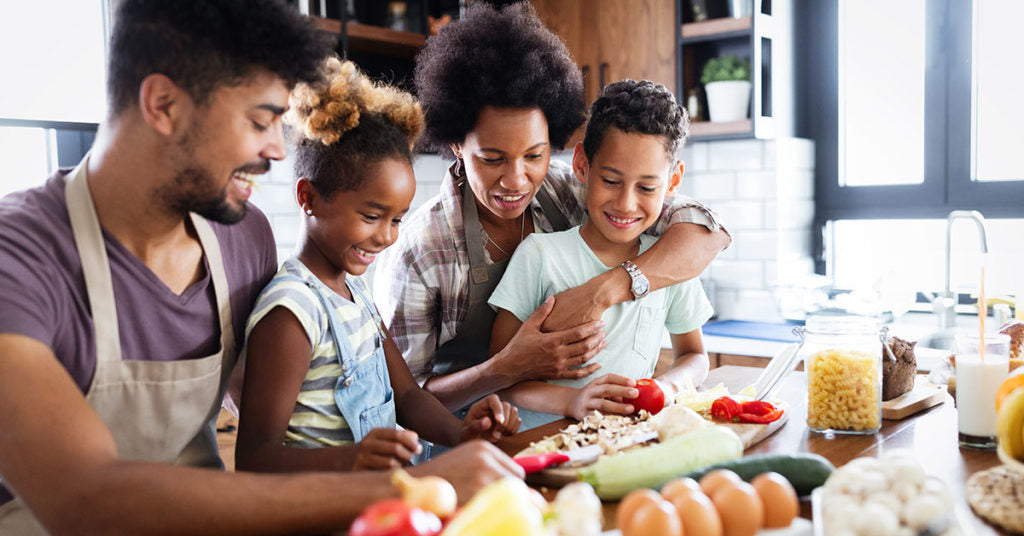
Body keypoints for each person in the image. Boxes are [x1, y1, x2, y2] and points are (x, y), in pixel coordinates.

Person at [0, 2, 521, 534]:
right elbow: (83, 498)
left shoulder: (241, 238)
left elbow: (266, 400)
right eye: (259, 121)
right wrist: (412, 484)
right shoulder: (15, 258)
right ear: (162, 104)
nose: (277, 148)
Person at [374, 2, 730, 414]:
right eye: (492, 158)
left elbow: (706, 230)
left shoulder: (574, 189)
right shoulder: (420, 251)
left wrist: (607, 289)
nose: (516, 180)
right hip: (460, 441)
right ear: (457, 144)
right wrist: (507, 368)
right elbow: (402, 400)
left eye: (534, 155)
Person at [236, 58, 520, 473]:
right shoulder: (291, 312)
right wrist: (351, 459)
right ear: (309, 198)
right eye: (371, 217)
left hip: (378, 503)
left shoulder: (355, 294)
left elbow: (408, 397)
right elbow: (255, 459)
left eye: (397, 219)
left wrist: (462, 435)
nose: (388, 237)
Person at [488, 80, 714, 429]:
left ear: (673, 181)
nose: (626, 203)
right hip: (538, 447)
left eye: (647, 187)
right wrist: (572, 400)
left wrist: (668, 386)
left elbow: (695, 355)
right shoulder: (539, 256)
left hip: (624, 442)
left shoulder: (669, 266)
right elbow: (501, 372)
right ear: (581, 165)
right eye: (610, 180)